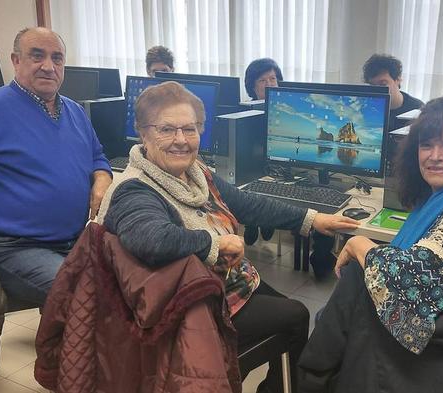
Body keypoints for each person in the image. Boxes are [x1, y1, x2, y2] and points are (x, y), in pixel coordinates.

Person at [97, 81, 359, 393]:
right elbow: (151, 239)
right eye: (166, 129)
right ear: (143, 133)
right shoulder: (134, 189)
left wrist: (313, 220)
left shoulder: (194, 171)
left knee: (289, 310)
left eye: (190, 129)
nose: (181, 140)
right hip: (185, 308)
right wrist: (215, 243)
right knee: (296, 315)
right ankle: (225, 375)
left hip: (223, 284)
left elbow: (245, 203)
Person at [297, 96, 443, 392]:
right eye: (426, 145)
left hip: (437, 351)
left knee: (356, 279)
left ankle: (311, 379)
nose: (435, 155)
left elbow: (412, 281)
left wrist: (360, 244)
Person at [0, 27, 112, 308]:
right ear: (16, 61)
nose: (48, 66)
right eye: (37, 56)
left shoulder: (74, 111)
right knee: (86, 295)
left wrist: (101, 177)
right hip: (7, 246)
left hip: (72, 240)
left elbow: (97, 156)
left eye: (57, 58)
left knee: (132, 279)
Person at [243, 58, 284, 245]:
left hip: (278, 167)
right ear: (252, 86)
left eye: (273, 79)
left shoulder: (285, 110)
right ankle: (252, 222)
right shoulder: (245, 112)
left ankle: (266, 219)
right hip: (251, 164)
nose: (269, 85)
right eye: (262, 80)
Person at [363, 53, 424, 131]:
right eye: (372, 85)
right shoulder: (366, 107)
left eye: (383, 84)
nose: (377, 90)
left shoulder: (417, 109)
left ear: (398, 80)